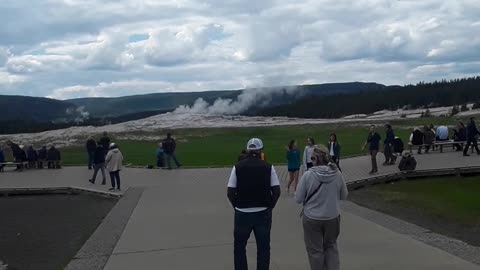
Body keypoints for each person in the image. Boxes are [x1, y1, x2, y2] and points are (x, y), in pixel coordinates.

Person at [227, 138, 281, 270]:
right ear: (261, 150)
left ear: (248, 150)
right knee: (263, 248)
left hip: (243, 213)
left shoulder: (237, 167)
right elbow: (276, 191)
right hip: (263, 212)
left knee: (239, 247)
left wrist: (237, 206)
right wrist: (270, 206)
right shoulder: (268, 167)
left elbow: (230, 191)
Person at [295, 145, 348, 270]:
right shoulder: (337, 174)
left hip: (312, 217)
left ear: (315, 159)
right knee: (331, 247)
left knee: (315, 251)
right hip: (332, 216)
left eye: (312, 158)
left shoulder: (308, 175)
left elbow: (298, 198)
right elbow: (344, 195)